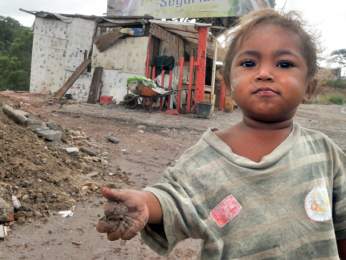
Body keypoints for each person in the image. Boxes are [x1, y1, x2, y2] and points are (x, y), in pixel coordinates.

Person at [97, 8, 346, 259]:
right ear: (228, 82)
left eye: (284, 64)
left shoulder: (324, 152)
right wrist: (146, 203)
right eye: (249, 63)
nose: (264, 73)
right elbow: (174, 198)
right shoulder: (204, 160)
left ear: (309, 87)